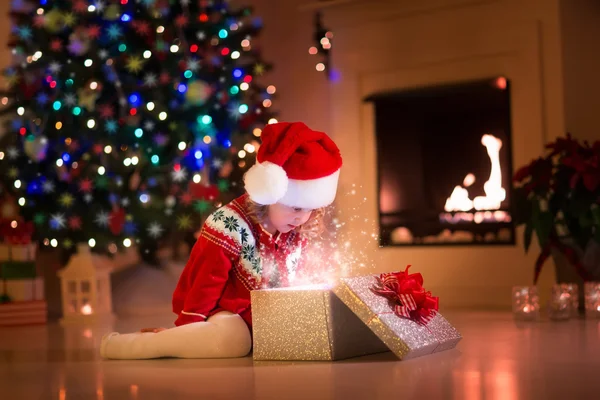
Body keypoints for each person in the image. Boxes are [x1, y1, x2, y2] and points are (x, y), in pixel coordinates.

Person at [100, 121, 343, 359]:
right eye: (295, 207)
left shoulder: (295, 230)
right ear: (269, 195)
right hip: (224, 312)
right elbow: (206, 280)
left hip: (264, 319)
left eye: (310, 209)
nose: (302, 217)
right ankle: (132, 345)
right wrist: (189, 327)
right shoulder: (229, 224)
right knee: (234, 339)